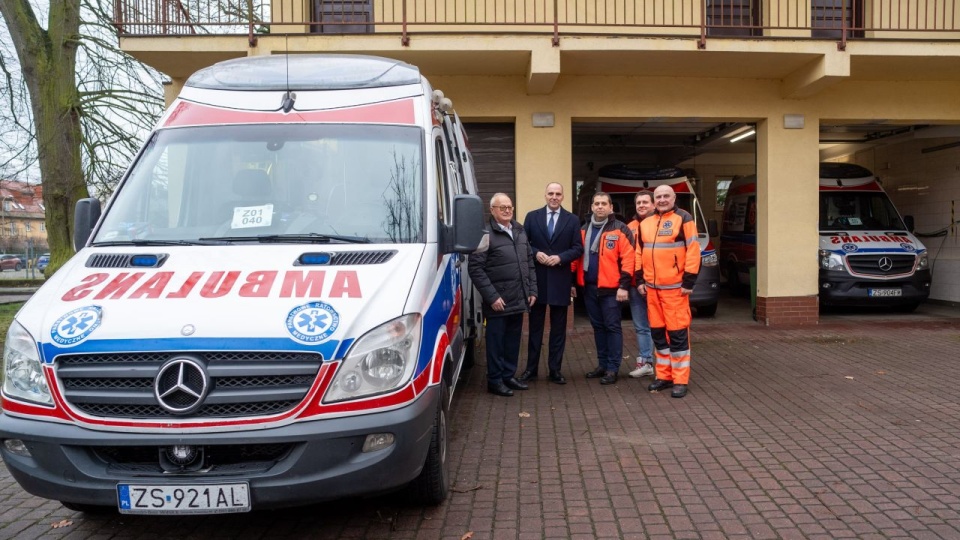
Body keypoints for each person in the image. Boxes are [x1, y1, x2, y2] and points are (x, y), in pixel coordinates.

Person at [468, 193, 538, 397]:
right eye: (502, 207)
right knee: (496, 343)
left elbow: (529, 262)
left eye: (510, 207)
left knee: (513, 341)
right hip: (498, 301)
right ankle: (495, 380)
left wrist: (532, 290)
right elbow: (476, 269)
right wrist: (492, 297)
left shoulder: (519, 230)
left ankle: (508, 376)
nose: (507, 210)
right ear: (492, 210)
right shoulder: (485, 234)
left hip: (519, 298)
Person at [637, 185, 701, 398]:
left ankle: (680, 380)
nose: (662, 199)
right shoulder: (645, 223)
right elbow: (639, 253)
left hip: (676, 290)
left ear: (674, 198)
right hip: (652, 291)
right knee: (658, 334)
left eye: (666, 196)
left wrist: (689, 281)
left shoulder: (684, 218)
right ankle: (663, 376)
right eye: (659, 197)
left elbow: (693, 250)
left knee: (678, 335)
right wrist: (640, 280)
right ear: (654, 200)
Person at [519, 182, 584, 385]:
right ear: (545, 195)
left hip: (560, 280)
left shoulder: (572, 220)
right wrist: (536, 252)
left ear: (563, 196)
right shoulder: (532, 216)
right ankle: (531, 369)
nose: (554, 197)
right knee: (535, 329)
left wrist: (561, 258)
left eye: (558, 194)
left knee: (558, 329)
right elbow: (524, 243)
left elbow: (577, 248)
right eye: (550, 193)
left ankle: (555, 370)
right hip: (537, 280)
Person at [572, 192, 635, 385]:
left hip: (612, 290)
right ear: (591, 207)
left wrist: (624, 286)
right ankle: (602, 365)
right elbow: (576, 258)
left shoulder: (621, 229)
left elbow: (629, 259)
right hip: (589, 289)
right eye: (596, 203)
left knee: (612, 328)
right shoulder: (583, 230)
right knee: (598, 328)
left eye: (603, 204)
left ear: (610, 208)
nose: (600, 207)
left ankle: (612, 368)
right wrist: (571, 283)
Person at [626, 190, 656, 378]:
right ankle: (646, 362)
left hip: (657, 284)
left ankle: (665, 363)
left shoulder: (662, 224)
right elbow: (627, 257)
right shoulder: (629, 227)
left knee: (661, 325)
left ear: (653, 205)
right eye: (639, 203)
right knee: (641, 326)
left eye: (646, 202)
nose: (642, 205)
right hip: (635, 285)